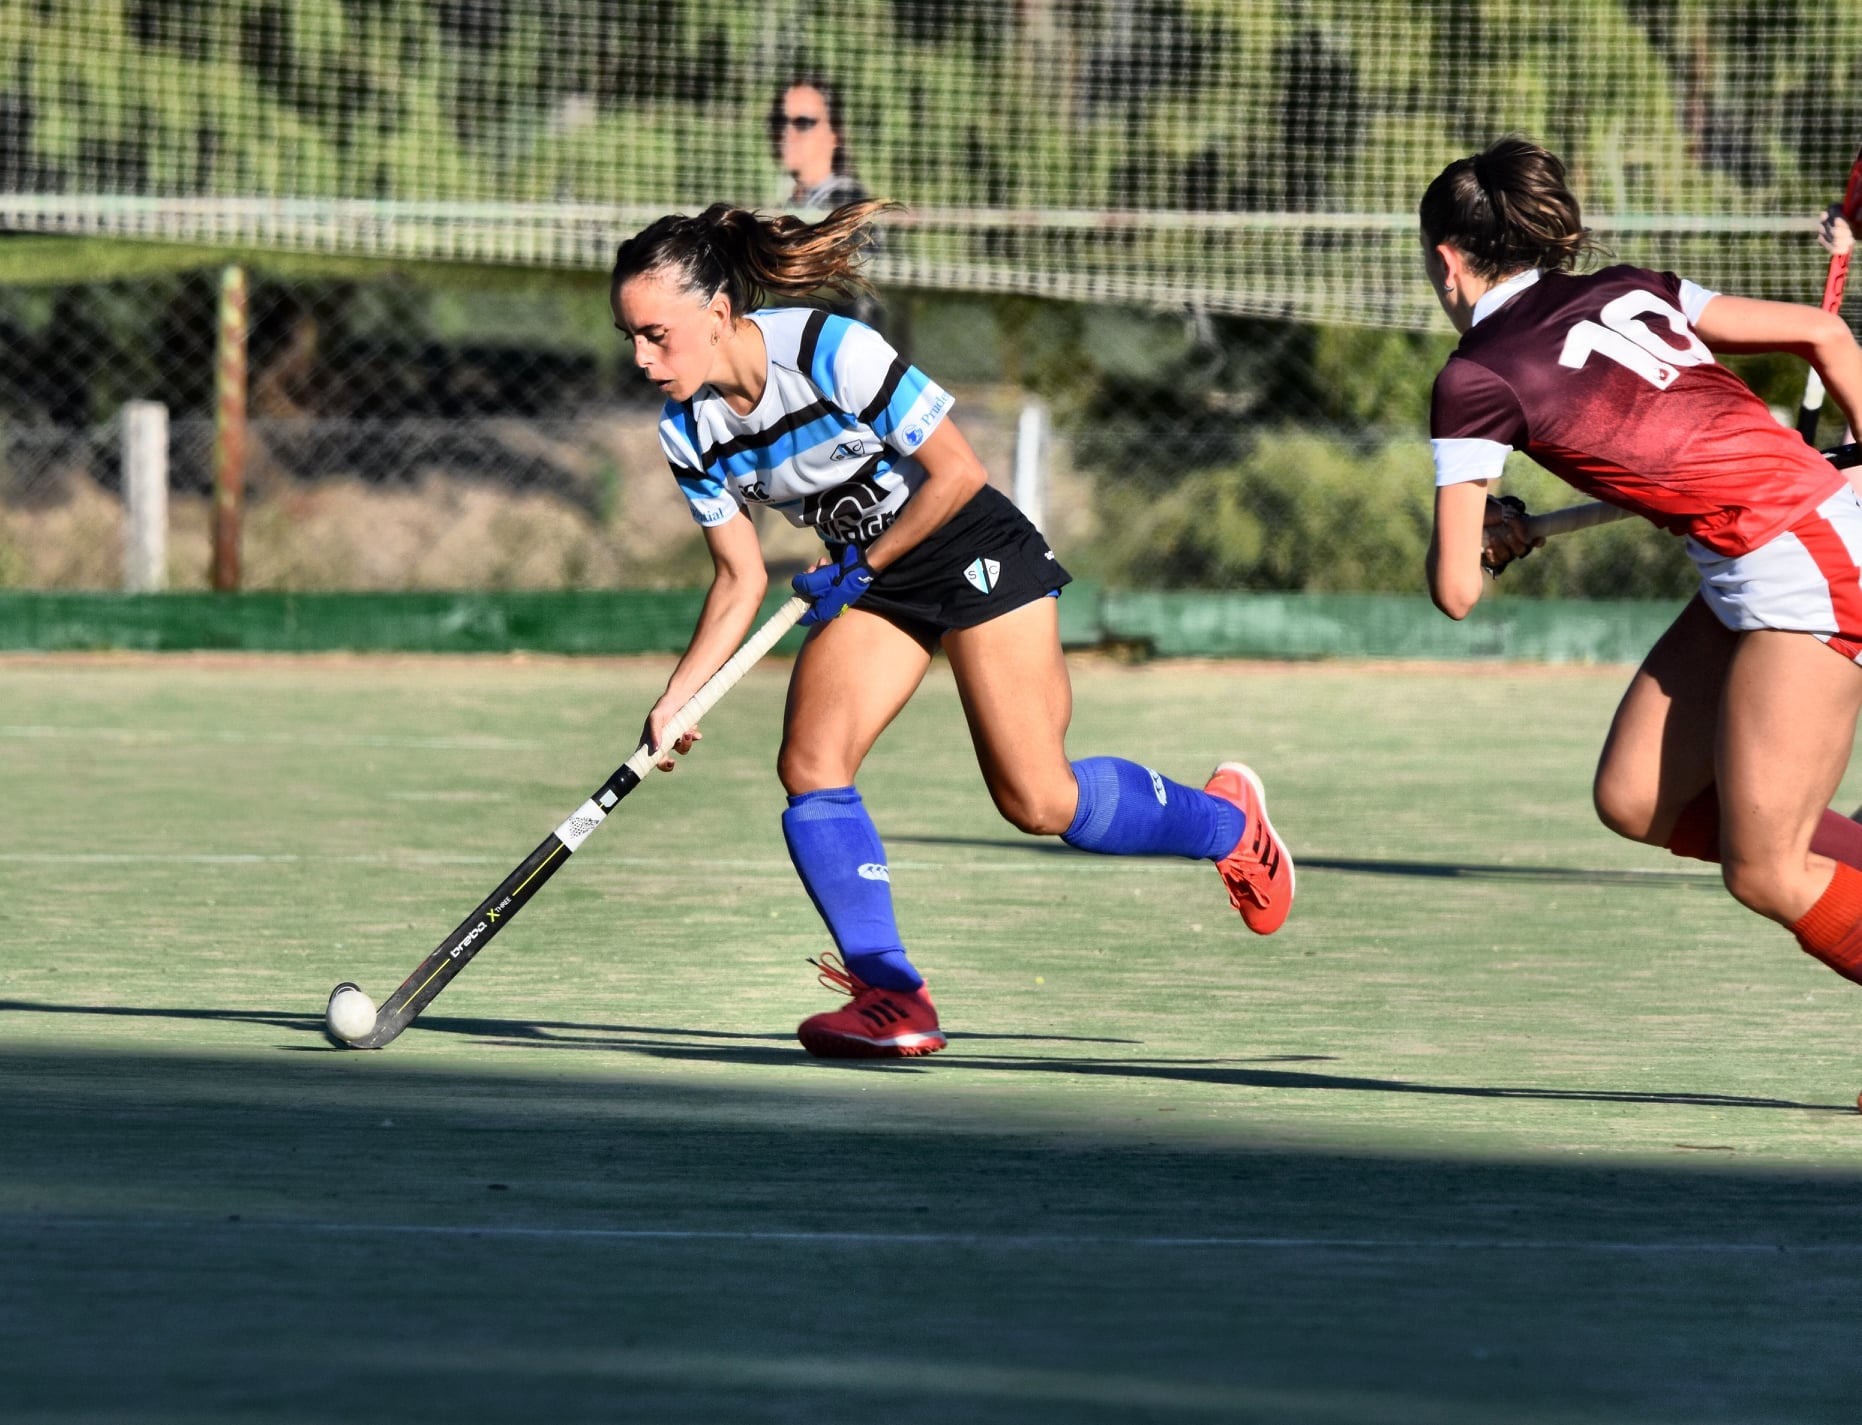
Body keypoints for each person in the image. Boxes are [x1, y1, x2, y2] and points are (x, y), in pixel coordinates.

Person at [610, 201, 1294, 1058]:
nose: (640, 357)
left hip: (970, 545)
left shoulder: (829, 349)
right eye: (630, 336)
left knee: (1040, 800)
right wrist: (680, 696)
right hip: (878, 574)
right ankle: (894, 996)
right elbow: (739, 575)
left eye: (655, 334)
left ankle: (1228, 825)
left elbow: (959, 473)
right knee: (812, 764)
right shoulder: (690, 429)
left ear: (716, 315)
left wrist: (862, 566)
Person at [1420, 135, 1862, 993]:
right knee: (1636, 797)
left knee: (1765, 869)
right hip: (1762, 554)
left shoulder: (1474, 377)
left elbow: (1456, 590)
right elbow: (1820, 332)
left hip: (1807, 559)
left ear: (1447, 262)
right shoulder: (1629, 286)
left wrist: (1486, 531)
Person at [767, 77, 885, 331]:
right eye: (779, 121)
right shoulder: (792, 203)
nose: (787, 132)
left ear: (835, 134)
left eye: (804, 123)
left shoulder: (847, 203)